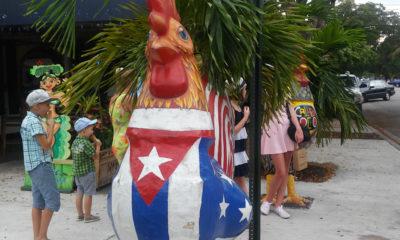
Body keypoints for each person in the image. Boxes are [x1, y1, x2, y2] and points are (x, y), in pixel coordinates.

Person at [20, 89, 60, 240]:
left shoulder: (28, 120)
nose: (49, 107)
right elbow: (46, 145)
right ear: (37, 105)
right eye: (47, 104)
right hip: (41, 165)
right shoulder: (34, 122)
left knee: (38, 201)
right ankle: (42, 236)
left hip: (33, 167)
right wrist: (50, 126)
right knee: (52, 201)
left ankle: (37, 236)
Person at [260, 102, 303, 219]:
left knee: (286, 170)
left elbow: (291, 109)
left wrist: (298, 128)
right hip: (273, 128)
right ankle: (268, 201)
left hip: (286, 129)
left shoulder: (286, 86)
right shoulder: (268, 86)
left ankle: (278, 205)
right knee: (281, 171)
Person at [71, 117, 102, 223]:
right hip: (88, 173)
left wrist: (93, 144)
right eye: (91, 129)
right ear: (84, 130)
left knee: (80, 192)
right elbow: (95, 156)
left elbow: (84, 151)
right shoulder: (86, 143)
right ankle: (88, 216)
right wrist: (98, 145)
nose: (92, 131)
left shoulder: (76, 142)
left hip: (78, 173)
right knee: (88, 194)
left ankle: (80, 215)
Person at [109, 68, 135, 163]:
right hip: (127, 142)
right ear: (131, 81)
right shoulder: (127, 99)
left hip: (117, 142)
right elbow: (141, 119)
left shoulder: (113, 99)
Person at [231, 79, 250, 195]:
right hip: (235, 152)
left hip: (240, 151)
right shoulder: (231, 107)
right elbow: (233, 131)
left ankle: (246, 207)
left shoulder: (237, 105)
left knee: (239, 181)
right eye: (244, 88)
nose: (245, 91)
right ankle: (248, 208)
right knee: (239, 182)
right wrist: (244, 118)